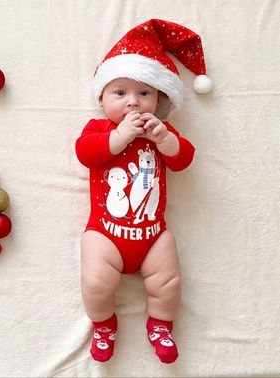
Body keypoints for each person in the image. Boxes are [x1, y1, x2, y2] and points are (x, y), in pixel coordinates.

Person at [75, 19, 212, 363]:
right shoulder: (100, 128)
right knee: (96, 281)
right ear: (102, 97)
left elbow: (184, 160)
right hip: (106, 232)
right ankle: (104, 325)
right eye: (120, 93)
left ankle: (161, 324)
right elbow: (85, 154)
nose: (132, 103)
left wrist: (165, 139)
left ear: (159, 100)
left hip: (153, 234)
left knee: (168, 281)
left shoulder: (161, 131)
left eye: (144, 93)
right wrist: (119, 137)